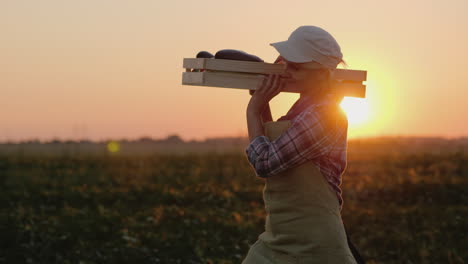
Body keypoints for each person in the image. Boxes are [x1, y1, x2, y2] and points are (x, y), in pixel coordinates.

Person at [242, 25, 365, 264]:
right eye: (285, 63)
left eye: (295, 67)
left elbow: (266, 162)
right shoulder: (304, 109)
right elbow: (278, 151)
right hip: (283, 236)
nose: (286, 71)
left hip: (313, 243)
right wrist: (263, 103)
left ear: (322, 73)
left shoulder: (324, 115)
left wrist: (253, 110)